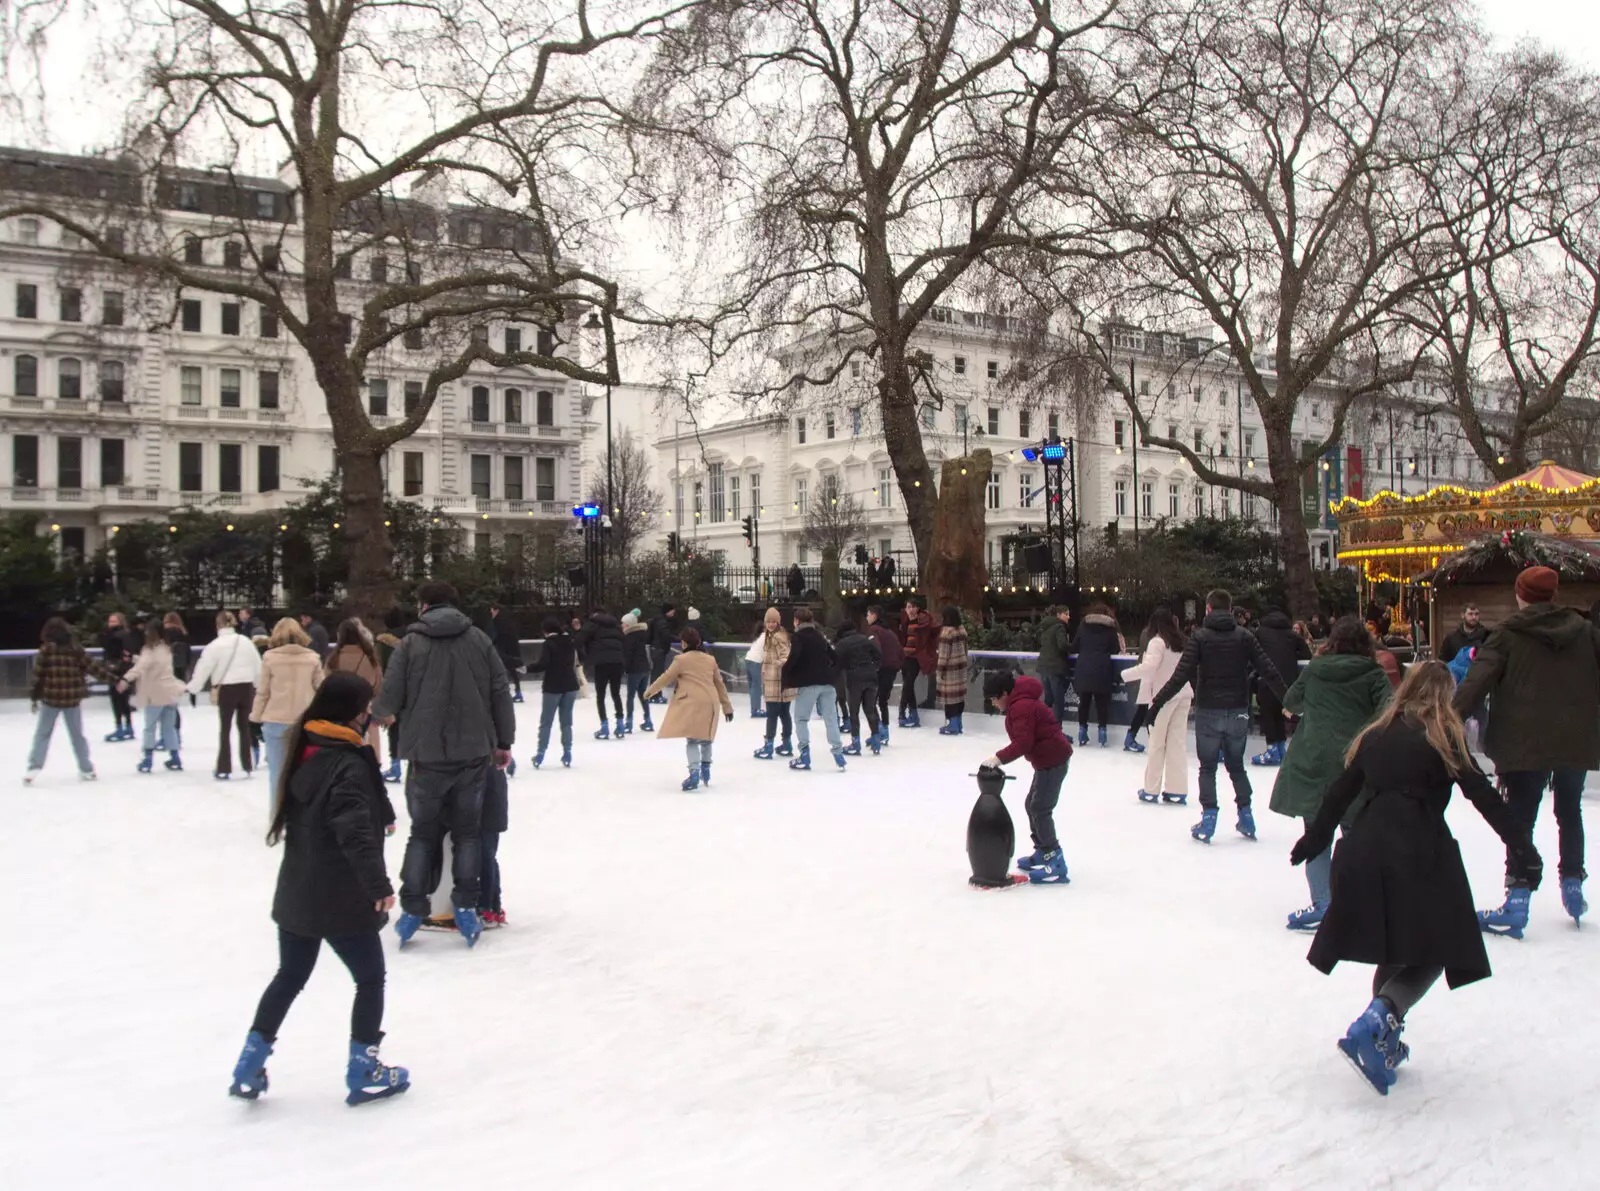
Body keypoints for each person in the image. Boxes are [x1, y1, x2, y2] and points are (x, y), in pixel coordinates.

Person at [1288, 661, 1541, 1096]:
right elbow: (1485, 798)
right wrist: (1524, 850)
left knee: (1396, 943)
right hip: (1418, 849)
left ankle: (1383, 1037)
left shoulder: (1376, 735)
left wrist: (1313, 842)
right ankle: (1381, 1015)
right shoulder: (1444, 736)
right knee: (1440, 943)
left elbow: (1338, 793)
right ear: (1444, 694)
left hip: (1365, 846)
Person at [227, 671, 409, 1107]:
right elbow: (352, 833)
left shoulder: (309, 745)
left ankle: (249, 1063)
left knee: (289, 976)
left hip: (297, 889)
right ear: (351, 713)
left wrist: (379, 808)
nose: (371, 715)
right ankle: (364, 1068)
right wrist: (378, 886)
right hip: (340, 894)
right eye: (366, 709)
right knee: (369, 978)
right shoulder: (344, 760)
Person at [1454, 565, 1600, 934]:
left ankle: (1518, 897)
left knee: (1521, 818)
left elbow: (1476, 682)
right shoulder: (1585, 632)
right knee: (1569, 810)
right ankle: (1572, 883)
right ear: (1553, 595)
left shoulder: (1506, 634)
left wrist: (1447, 721)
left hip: (1522, 743)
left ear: (1521, 595)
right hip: (1574, 738)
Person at [370, 581, 514, 949]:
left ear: (422, 606)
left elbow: (388, 697)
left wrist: (379, 715)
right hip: (473, 751)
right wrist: (503, 742)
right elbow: (500, 689)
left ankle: (414, 906)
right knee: (467, 832)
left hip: (425, 753)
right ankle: (466, 905)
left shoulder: (410, 644)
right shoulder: (479, 640)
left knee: (423, 832)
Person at [1269, 616, 1392, 931]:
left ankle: (1323, 902)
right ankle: (1359, 900)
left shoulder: (1316, 670)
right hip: (1355, 763)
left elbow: (1292, 701)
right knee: (1355, 836)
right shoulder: (1373, 673)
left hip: (1314, 761)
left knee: (1317, 833)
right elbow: (1387, 712)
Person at [1148, 588, 1287, 845]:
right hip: (1238, 711)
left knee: (1208, 767)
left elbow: (1179, 676)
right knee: (1236, 766)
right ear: (1231, 609)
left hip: (1209, 710)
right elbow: (1268, 670)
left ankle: (1209, 816)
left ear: (1209, 609)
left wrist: (1156, 703)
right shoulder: (1244, 637)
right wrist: (1289, 701)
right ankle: (1245, 814)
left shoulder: (1200, 638)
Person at [981, 671, 1074, 885]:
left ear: (1005, 693)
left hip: (1053, 761)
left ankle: (1056, 860)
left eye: (994, 699)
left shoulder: (1022, 706)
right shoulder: (1019, 703)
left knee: (1040, 808)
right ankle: (1043, 850)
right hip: (1046, 761)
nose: (994, 704)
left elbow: (1024, 742)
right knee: (1031, 804)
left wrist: (998, 758)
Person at [25, 618, 116, 783]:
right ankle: (86, 768)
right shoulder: (75, 650)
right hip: (72, 700)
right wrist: (114, 680)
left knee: (43, 734)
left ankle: (34, 767)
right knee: (77, 735)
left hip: (51, 699)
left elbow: (37, 676)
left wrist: (33, 696)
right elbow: (94, 668)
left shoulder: (46, 651)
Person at [643, 626, 734, 790]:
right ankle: (706, 769)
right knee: (706, 738)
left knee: (692, 739)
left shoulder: (681, 660)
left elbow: (666, 677)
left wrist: (650, 691)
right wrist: (727, 707)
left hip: (692, 703)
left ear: (683, 643)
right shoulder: (710, 659)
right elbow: (719, 683)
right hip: (710, 702)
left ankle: (694, 772)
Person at [250, 618, 325, 797]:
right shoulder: (312, 659)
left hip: (275, 720)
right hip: (305, 722)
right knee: (303, 773)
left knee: (277, 775)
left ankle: (277, 818)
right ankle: (301, 819)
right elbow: (321, 691)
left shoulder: (269, 658)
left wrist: (255, 719)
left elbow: (263, 692)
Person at [1122, 607, 1189, 807]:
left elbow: (1149, 666)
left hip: (1163, 697)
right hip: (1183, 694)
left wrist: (1125, 675)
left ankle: (1151, 789)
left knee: (1157, 743)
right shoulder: (1180, 643)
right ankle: (1177, 790)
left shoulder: (1157, 642)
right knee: (1177, 743)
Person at [187, 610, 264, 781]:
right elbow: (257, 665)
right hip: (246, 688)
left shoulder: (214, 645)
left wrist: (193, 687)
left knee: (225, 728)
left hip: (227, 689)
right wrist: (259, 686)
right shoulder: (245, 642)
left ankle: (224, 767)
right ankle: (247, 764)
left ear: (218, 625)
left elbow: (203, 668)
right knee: (244, 727)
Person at [781, 606, 846, 770]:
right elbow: (836, 657)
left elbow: (794, 657)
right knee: (831, 718)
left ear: (796, 621)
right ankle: (838, 753)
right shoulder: (820, 636)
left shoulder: (798, 637)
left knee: (801, 718)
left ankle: (804, 755)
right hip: (827, 683)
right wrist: (832, 674)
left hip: (809, 684)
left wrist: (785, 675)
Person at [119, 622, 187, 773]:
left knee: (150, 728)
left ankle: (148, 759)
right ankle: (175, 757)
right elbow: (152, 663)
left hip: (155, 694)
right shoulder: (166, 648)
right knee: (169, 728)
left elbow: (142, 666)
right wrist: (136, 658)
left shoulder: (149, 650)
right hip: (170, 692)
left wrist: (125, 679)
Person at [1251, 607, 1312, 766]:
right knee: (1280, 713)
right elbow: (1307, 655)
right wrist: (1291, 657)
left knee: (1268, 714)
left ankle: (1272, 749)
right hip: (1288, 682)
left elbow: (1252, 652)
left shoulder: (1261, 632)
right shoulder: (1293, 636)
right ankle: (1280, 748)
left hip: (1267, 679)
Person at [326, 619, 384, 752]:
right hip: (364, 709)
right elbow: (378, 682)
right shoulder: (370, 657)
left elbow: (326, 684)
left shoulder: (333, 659)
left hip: (340, 711)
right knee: (369, 746)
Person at [1071, 603, 1124, 747]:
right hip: (1102, 669)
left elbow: (1075, 646)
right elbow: (1115, 649)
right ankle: (1102, 734)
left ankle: (1082, 732)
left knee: (1084, 702)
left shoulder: (1083, 626)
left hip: (1084, 668)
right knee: (1102, 704)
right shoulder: (1110, 628)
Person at [530, 615, 580, 768]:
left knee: (546, 722)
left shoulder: (549, 644)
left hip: (553, 686)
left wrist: (527, 668)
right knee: (566, 722)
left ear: (545, 630)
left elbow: (544, 664)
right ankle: (567, 752)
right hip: (570, 684)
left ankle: (540, 753)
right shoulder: (569, 641)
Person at [834, 619, 884, 755]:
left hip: (854, 678)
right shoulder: (865, 639)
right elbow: (878, 655)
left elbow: (836, 664)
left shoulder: (842, 644)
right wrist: (874, 667)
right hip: (871, 676)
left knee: (854, 712)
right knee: (870, 710)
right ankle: (876, 740)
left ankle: (855, 743)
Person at [753, 608, 797, 759]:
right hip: (781, 682)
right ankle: (786, 743)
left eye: (773, 622)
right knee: (784, 714)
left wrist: (775, 665)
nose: (771, 624)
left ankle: (769, 745)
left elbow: (786, 656)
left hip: (776, 682)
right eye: (768, 622)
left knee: (773, 714)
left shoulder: (777, 637)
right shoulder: (773, 635)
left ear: (778, 622)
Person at [577, 608, 627, 739]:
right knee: (616, 693)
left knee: (601, 695)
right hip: (618, 661)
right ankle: (620, 724)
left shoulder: (592, 624)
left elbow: (579, 641)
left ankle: (604, 726)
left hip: (601, 663)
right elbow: (624, 641)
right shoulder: (615, 626)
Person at [478, 761, 510, 928]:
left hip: (488, 813)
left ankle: (488, 905)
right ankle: (492, 904)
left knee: (485, 856)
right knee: (486, 857)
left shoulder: (487, 761)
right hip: (487, 812)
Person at [865, 606, 902, 744]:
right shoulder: (890, 632)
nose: (866, 617)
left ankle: (878, 729)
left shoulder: (874, 630)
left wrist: (873, 666)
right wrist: (897, 665)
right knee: (883, 701)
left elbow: (875, 648)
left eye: (868, 614)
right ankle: (884, 729)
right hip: (891, 669)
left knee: (871, 700)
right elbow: (900, 650)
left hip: (881, 669)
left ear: (874, 615)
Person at [101, 611, 139, 742]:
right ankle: (128, 726)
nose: (111, 624)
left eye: (114, 621)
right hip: (125, 671)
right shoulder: (128, 635)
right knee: (124, 700)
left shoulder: (113, 636)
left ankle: (120, 727)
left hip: (116, 670)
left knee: (117, 700)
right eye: (110, 621)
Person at [898, 599, 934, 727]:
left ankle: (902, 711)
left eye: (913, 607)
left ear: (918, 608)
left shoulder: (923, 621)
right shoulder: (905, 621)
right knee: (908, 686)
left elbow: (929, 636)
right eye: (908, 607)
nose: (911, 610)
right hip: (905, 656)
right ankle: (914, 715)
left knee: (908, 684)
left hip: (916, 657)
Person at [935, 605, 970, 736]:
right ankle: (958, 723)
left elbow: (943, 655)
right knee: (959, 697)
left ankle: (953, 724)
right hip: (961, 668)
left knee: (949, 698)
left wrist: (940, 671)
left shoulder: (947, 632)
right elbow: (966, 650)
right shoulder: (962, 630)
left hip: (949, 670)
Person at [1036, 606, 1072, 726]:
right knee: (1058, 700)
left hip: (1044, 667)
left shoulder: (1045, 628)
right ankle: (1056, 730)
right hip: (1055, 668)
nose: (1068, 617)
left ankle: (1043, 726)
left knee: (1048, 699)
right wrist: (1073, 647)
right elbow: (1062, 645)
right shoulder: (1059, 627)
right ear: (1058, 615)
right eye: (1066, 614)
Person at [620, 612, 655, 733]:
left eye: (623, 623)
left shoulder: (629, 637)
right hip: (645, 668)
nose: (622, 625)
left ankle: (628, 722)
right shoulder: (642, 635)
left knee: (630, 696)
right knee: (643, 695)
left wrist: (625, 668)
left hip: (634, 670)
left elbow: (628, 654)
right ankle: (648, 720)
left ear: (628, 624)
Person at [488, 604, 525, 703]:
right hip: (511, 647)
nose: (491, 613)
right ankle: (518, 692)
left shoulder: (499, 620)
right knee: (512, 671)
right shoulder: (507, 619)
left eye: (492, 611)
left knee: (503, 669)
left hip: (505, 649)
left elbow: (500, 635)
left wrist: (492, 643)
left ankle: (507, 692)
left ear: (496, 611)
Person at [647, 604, 677, 702]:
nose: (673, 613)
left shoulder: (659, 620)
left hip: (656, 649)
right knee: (658, 674)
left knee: (657, 673)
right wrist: (680, 639)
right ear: (667, 611)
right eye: (672, 611)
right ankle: (654, 695)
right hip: (659, 650)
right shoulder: (662, 622)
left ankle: (654, 694)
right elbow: (666, 635)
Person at [915, 600, 941, 711]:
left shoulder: (922, 620)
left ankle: (930, 701)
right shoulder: (929, 619)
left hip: (927, 653)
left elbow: (922, 639)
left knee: (931, 677)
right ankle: (930, 700)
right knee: (932, 677)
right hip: (930, 652)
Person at [742, 623, 767, 719]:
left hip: (748, 659)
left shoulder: (759, 637)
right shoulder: (765, 636)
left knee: (753, 686)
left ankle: (754, 709)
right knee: (756, 687)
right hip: (755, 662)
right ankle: (755, 710)